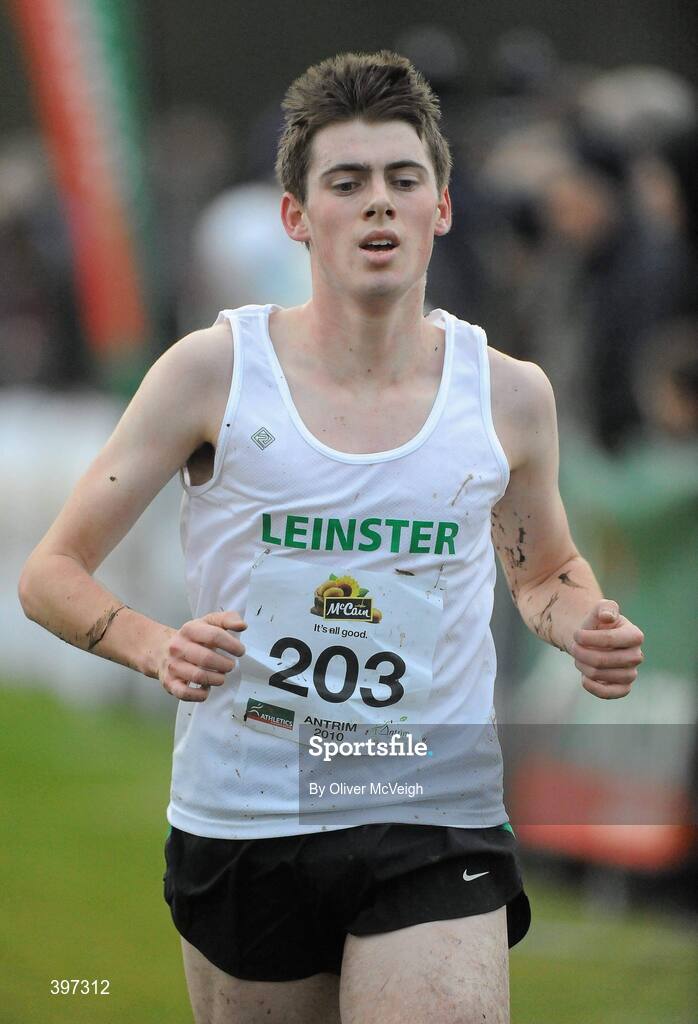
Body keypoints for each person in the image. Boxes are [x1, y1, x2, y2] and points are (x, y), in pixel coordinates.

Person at [19, 51, 645, 1024]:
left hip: (431, 806)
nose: (378, 203)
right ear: (296, 216)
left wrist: (584, 621)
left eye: (403, 179)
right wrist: (154, 644)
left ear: (441, 207)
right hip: (247, 813)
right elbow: (51, 571)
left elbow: (545, 572)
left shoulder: (508, 394)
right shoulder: (212, 374)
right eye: (346, 182)